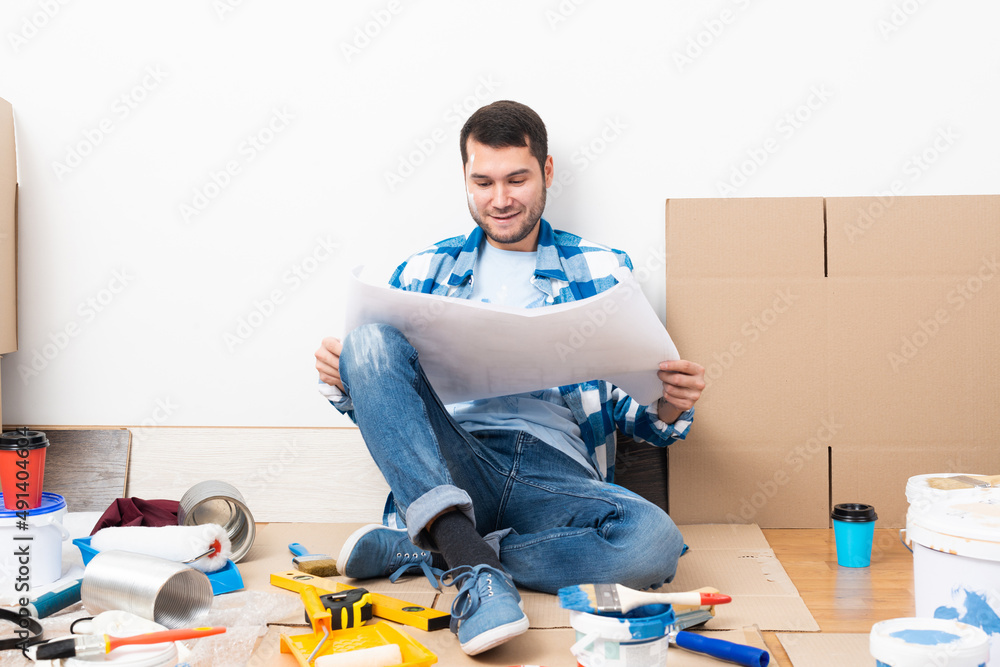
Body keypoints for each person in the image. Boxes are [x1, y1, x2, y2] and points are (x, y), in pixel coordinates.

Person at [314, 100, 705, 655]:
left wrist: (670, 403)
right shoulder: (421, 272)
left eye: (517, 178)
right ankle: (468, 560)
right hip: (453, 462)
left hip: (555, 476)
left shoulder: (602, 270)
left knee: (653, 543)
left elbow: (636, 413)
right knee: (368, 343)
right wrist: (350, 373)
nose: (500, 199)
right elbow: (389, 415)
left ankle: (435, 549)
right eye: (484, 181)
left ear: (546, 172)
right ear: (467, 181)